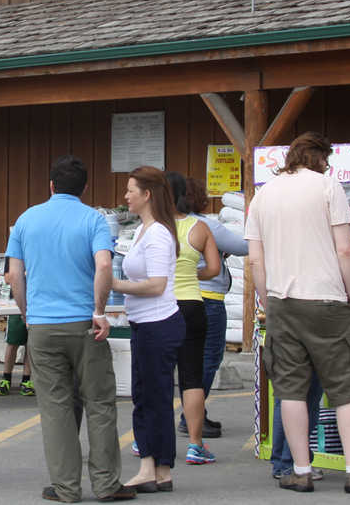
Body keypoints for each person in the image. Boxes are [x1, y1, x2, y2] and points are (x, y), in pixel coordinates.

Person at [246, 131, 350, 494]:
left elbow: (256, 259)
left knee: (290, 389)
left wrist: (267, 300)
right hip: (327, 300)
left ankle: (300, 470)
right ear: (321, 157)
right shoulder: (327, 186)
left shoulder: (263, 194)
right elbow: (345, 251)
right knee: (345, 386)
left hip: (281, 302)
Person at [7, 155, 135, 503]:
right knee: (100, 403)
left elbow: (15, 275)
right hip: (85, 324)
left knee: (56, 409)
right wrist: (98, 310)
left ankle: (66, 487)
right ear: (84, 188)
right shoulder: (93, 219)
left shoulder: (25, 220)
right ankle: (107, 483)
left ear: (50, 186)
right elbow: (104, 265)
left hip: (43, 326)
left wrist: (26, 312)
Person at [110, 167, 184, 492]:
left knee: (150, 397)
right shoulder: (143, 230)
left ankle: (151, 467)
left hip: (158, 324)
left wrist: (115, 284)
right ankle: (159, 468)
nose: (126, 196)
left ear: (147, 194)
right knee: (149, 396)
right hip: (145, 323)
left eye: (131, 190)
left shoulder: (157, 234)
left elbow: (156, 285)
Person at [162, 173, 221, 465]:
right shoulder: (200, 227)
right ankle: (196, 445)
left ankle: (144, 438)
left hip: (160, 307)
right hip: (192, 304)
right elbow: (214, 269)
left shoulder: (153, 228)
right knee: (192, 377)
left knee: (158, 376)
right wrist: (191, 275)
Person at [185, 177, 247, 438]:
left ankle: (192, 413)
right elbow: (242, 247)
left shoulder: (168, 226)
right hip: (209, 298)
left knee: (189, 361)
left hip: (183, 298)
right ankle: (192, 415)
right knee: (208, 360)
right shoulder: (206, 225)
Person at [0, 253, 34, 397]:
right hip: (17, 303)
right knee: (12, 342)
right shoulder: (14, 251)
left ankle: (26, 379)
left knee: (31, 342)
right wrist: (24, 273)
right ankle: (6, 378)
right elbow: (7, 277)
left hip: (37, 301)